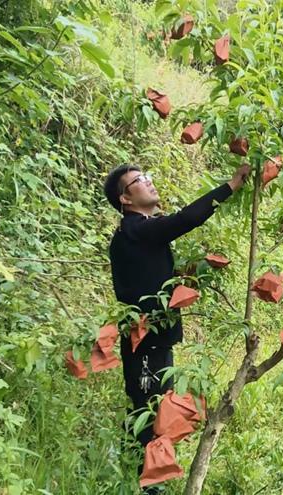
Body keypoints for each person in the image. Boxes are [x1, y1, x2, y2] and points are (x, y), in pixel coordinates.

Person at [103, 163, 249, 477]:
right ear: (125, 200)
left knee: (154, 407)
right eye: (139, 181)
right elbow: (185, 219)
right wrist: (231, 185)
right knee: (150, 410)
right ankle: (145, 481)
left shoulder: (140, 230)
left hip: (155, 339)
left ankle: (142, 475)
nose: (148, 182)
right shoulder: (135, 230)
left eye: (146, 176)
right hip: (145, 342)